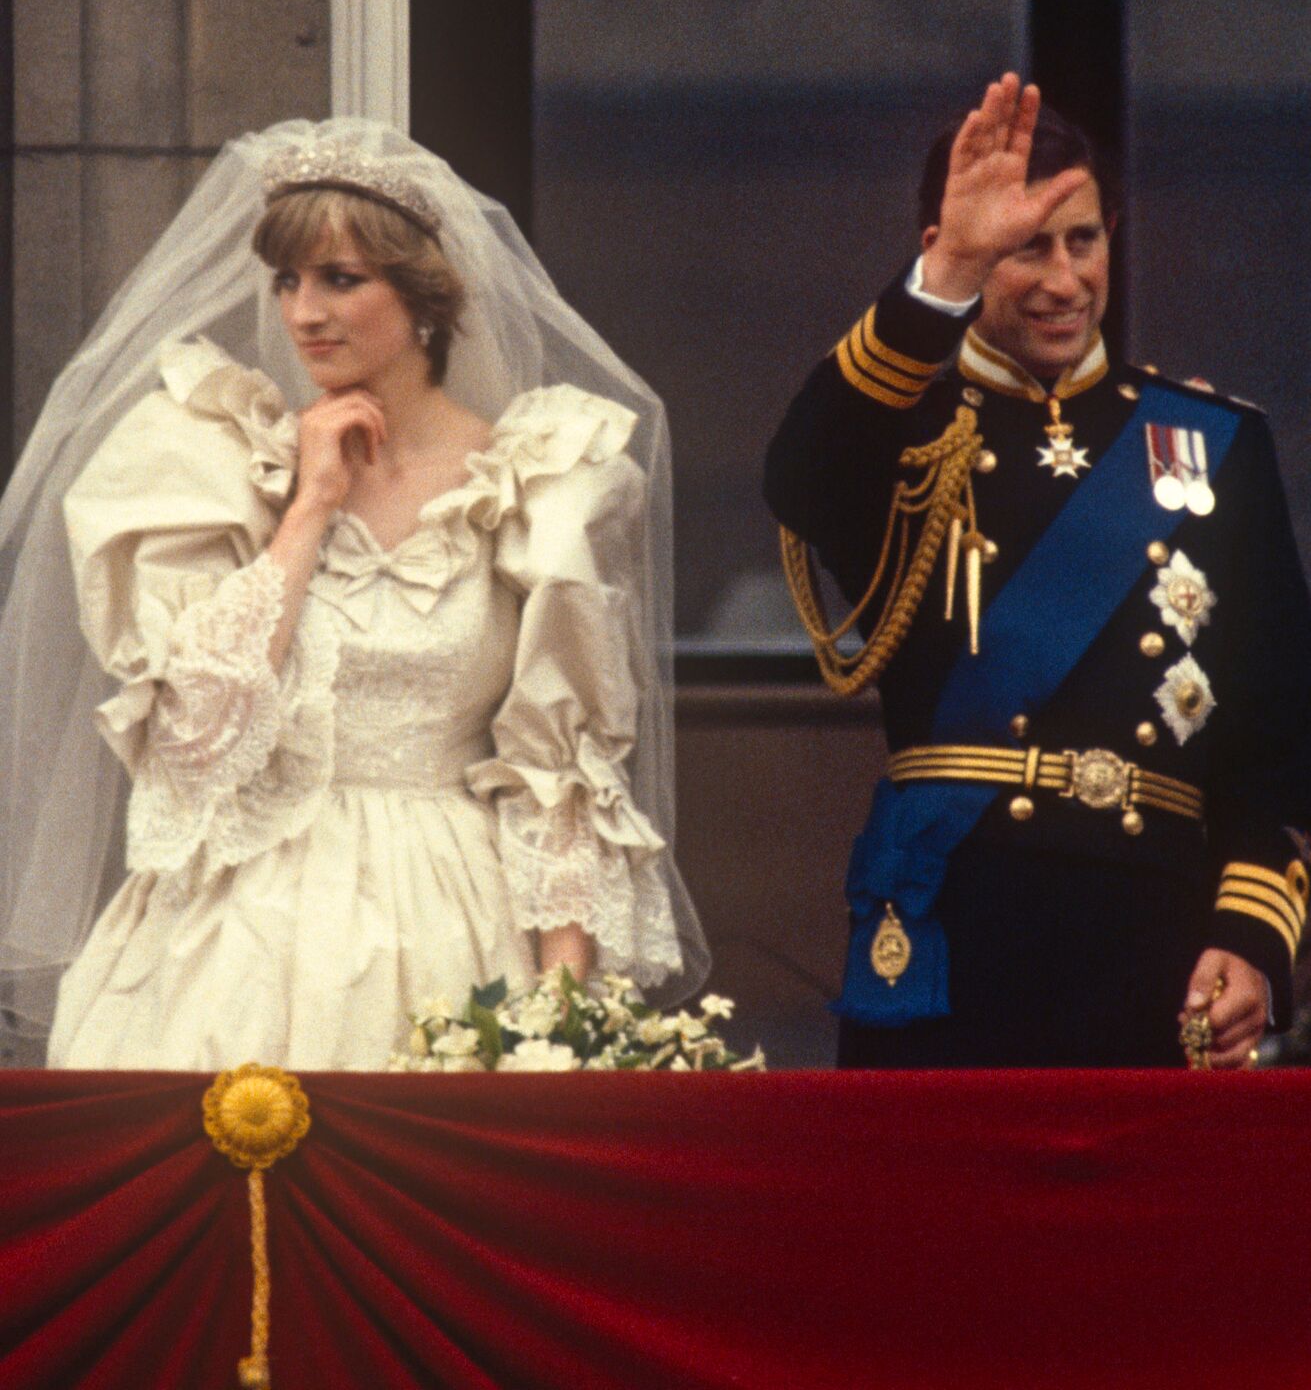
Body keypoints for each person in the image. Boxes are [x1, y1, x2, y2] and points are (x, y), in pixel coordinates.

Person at [0, 120, 706, 1069]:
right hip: (235, 930)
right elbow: (192, 740)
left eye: (339, 279)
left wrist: (561, 1022)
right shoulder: (216, 461)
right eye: (287, 280)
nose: (302, 313)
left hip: (454, 915)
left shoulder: (542, 487)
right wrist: (308, 508)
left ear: (423, 300)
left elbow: (562, 781)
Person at [765, 74, 1311, 1069]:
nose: (1064, 280)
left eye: (1085, 240)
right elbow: (799, 472)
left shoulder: (1214, 444)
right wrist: (941, 280)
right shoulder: (902, 430)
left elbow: (1272, 746)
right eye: (1026, 247)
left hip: (1153, 936)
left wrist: (1250, 934)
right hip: (954, 930)